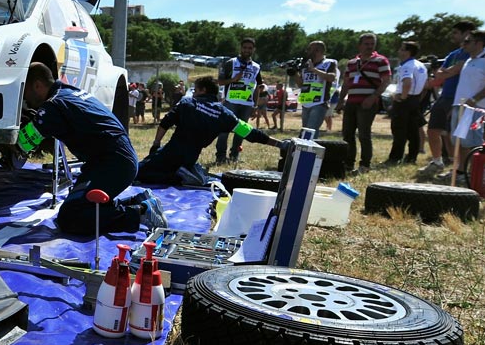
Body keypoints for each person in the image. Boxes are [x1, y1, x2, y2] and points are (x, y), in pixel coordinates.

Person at [19, 62, 160, 235]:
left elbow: (24, 143)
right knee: (76, 204)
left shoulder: (53, 105)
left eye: (24, 90)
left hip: (114, 163)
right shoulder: (68, 92)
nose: (24, 98)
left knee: (70, 218)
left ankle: (140, 214)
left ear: (37, 85)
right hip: (112, 159)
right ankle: (139, 202)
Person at [138, 76, 285, 185]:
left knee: (137, 172)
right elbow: (252, 134)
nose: (194, 93)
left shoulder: (187, 103)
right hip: (190, 158)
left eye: (195, 90)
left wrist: (156, 143)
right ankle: (184, 171)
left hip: (171, 152)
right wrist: (280, 144)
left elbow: (165, 123)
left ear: (203, 90)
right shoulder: (225, 114)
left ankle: (180, 176)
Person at [441, 30, 485, 181]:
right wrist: (455, 106)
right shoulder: (469, 60)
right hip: (461, 106)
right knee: (459, 141)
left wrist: (475, 99)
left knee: (472, 142)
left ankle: (474, 173)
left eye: (467, 41)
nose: (463, 44)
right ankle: (460, 171)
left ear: (479, 43)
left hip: (476, 108)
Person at [419, 21, 476, 178]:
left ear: (467, 33)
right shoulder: (453, 54)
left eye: (456, 33)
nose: (453, 36)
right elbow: (441, 73)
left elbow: (451, 71)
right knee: (433, 129)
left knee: (454, 135)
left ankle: (458, 167)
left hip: (460, 97)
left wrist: (447, 72)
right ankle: (437, 161)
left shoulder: (472, 54)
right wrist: (447, 72)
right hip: (445, 96)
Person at [336, 33, 391, 173]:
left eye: (372, 44)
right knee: (347, 134)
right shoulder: (352, 63)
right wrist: (341, 100)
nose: (369, 46)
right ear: (359, 45)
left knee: (364, 134)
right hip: (351, 102)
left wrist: (373, 97)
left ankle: (364, 165)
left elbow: (386, 81)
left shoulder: (381, 61)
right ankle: (348, 164)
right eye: (366, 44)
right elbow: (346, 83)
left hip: (368, 102)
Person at [215, 38, 262, 164]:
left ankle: (234, 155)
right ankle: (220, 156)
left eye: (250, 48)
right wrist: (233, 80)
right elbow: (219, 81)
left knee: (240, 131)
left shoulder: (256, 67)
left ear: (254, 49)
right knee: (224, 130)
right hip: (231, 102)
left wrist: (255, 105)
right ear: (241, 48)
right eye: (245, 47)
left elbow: (257, 87)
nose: (247, 50)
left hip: (247, 104)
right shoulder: (231, 62)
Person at [384, 42, 428, 166]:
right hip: (415, 99)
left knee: (399, 130)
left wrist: (402, 97)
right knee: (413, 130)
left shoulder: (406, 66)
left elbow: (407, 82)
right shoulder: (421, 65)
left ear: (407, 52)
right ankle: (412, 157)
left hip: (405, 101)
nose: (399, 51)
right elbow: (425, 85)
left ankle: (395, 157)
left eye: (401, 49)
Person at [294, 40, 339, 138]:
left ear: (317, 51)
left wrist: (314, 70)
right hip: (307, 102)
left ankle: (309, 153)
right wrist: (294, 74)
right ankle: (303, 151)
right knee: (305, 130)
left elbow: (332, 77)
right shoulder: (305, 64)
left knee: (311, 130)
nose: (307, 52)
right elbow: (301, 84)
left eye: (309, 49)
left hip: (320, 102)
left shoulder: (329, 63)